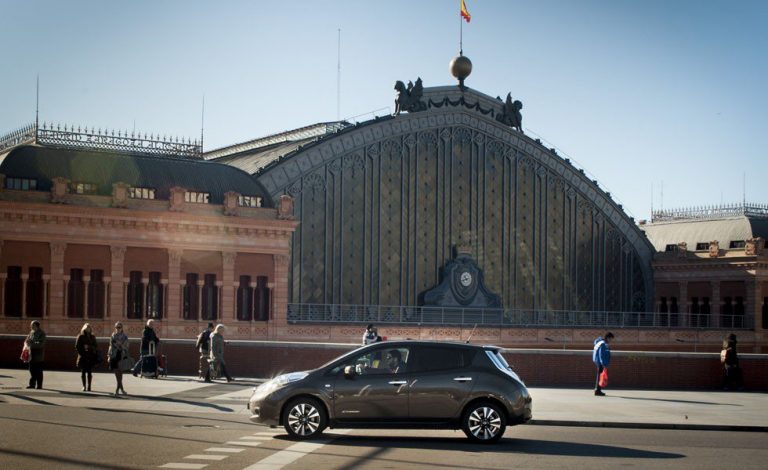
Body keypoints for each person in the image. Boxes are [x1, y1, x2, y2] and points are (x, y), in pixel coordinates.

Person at [75, 323, 99, 392]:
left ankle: (89, 386)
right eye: (86, 328)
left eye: (89, 328)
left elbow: (96, 346)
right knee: (83, 372)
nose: (88, 329)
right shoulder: (80, 336)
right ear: (84, 328)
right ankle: (84, 386)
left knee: (89, 372)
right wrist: (82, 351)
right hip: (83, 356)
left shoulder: (92, 337)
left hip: (90, 356)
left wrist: (89, 347)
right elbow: (77, 346)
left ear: (90, 329)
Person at [108, 322, 130, 396]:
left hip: (121, 355)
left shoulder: (125, 336)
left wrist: (121, 345)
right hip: (114, 356)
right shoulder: (113, 335)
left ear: (122, 328)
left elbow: (127, 346)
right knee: (116, 374)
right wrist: (108, 356)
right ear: (115, 328)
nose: (118, 328)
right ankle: (120, 390)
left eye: (119, 327)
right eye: (117, 327)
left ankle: (118, 390)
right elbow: (110, 346)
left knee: (120, 374)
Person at [25, 320, 46, 389]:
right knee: (31, 369)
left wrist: (31, 343)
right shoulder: (31, 332)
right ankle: (32, 384)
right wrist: (27, 342)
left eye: (32, 325)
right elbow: (27, 340)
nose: (31, 326)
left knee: (39, 370)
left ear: (36, 326)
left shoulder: (42, 333)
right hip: (31, 354)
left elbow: (41, 344)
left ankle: (39, 385)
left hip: (38, 355)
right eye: (31, 325)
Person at [592, 332, 614, 396]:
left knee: (600, 376)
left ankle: (597, 390)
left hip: (598, 361)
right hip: (600, 362)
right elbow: (601, 355)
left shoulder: (600, 342)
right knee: (600, 377)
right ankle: (597, 391)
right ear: (607, 338)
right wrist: (603, 364)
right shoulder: (603, 344)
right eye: (610, 339)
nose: (611, 341)